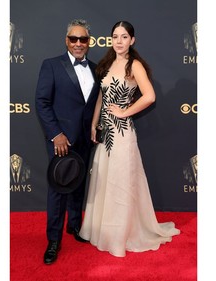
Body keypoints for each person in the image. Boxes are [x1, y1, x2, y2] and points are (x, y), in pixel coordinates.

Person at [79, 21, 180, 257]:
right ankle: (103, 231)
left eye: (124, 37)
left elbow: (150, 96)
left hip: (123, 134)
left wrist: (124, 111)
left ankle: (121, 236)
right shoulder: (107, 64)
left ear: (132, 40)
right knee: (106, 182)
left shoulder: (135, 65)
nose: (119, 41)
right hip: (106, 135)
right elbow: (102, 98)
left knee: (121, 184)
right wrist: (95, 123)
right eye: (115, 36)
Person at [35, 19, 100, 265]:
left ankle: (75, 226)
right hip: (60, 140)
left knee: (78, 186)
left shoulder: (96, 69)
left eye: (83, 39)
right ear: (66, 41)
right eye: (73, 39)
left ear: (89, 42)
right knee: (58, 190)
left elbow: (94, 106)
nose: (78, 43)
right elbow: (42, 102)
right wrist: (56, 134)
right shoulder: (51, 65)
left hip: (85, 138)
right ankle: (53, 239)